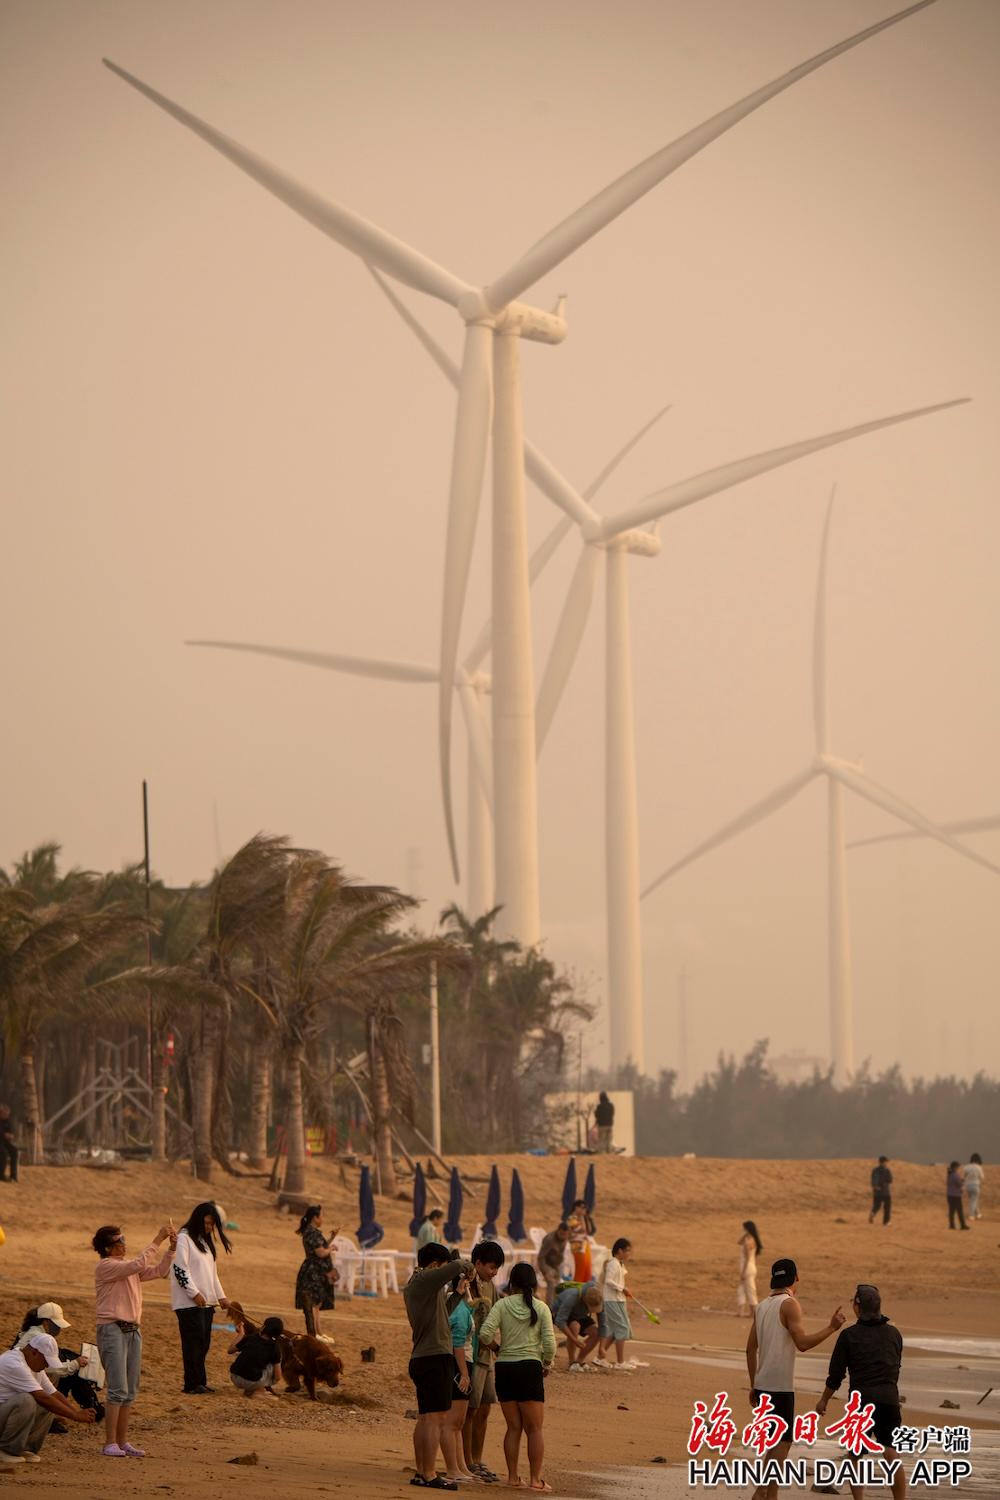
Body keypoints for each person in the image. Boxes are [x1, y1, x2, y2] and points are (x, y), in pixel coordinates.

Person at [745, 1258, 845, 1500]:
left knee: (774, 1442)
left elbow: (750, 1349)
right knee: (783, 1442)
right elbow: (802, 1344)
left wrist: (753, 1384)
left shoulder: (762, 1306)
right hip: (779, 1386)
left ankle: (768, 1494)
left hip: (762, 1384)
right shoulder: (789, 1304)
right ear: (795, 1279)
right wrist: (832, 1328)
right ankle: (762, 1493)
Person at [816, 1284, 906, 1500]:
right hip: (888, 1399)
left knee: (855, 1455)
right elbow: (896, 1366)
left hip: (861, 1402)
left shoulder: (849, 1336)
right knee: (891, 1451)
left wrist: (823, 1400)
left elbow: (836, 1375)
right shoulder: (894, 1333)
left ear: (858, 1307)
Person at [93, 1220, 175, 1457]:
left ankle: (122, 1441)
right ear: (108, 1248)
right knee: (117, 1388)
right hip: (112, 1329)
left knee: (129, 1391)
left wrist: (170, 1249)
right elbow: (140, 1263)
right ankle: (110, 1442)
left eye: (123, 1239)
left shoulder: (127, 1267)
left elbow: (159, 1271)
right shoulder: (106, 1266)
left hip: (132, 1330)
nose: (123, 1244)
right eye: (119, 1241)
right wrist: (158, 1239)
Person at [478, 1262, 556, 1494]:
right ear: (533, 1283)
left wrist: (497, 1348)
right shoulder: (541, 1308)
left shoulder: (502, 1305)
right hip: (530, 1367)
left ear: (512, 1283)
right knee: (535, 1429)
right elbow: (550, 1344)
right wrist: (547, 1362)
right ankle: (535, 1479)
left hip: (505, 1368)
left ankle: (512, 1477)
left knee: (513, 1427)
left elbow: (484, 1334)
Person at [403, 1240, 473, 1490]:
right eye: (439, 1267)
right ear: (433, 1265)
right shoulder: (424, 1280)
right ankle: (430, 1473)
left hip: (424, 1356)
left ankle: (423, 1471)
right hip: (433, 1358)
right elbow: (454, 1266)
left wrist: (457, 1295)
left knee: (425, 1418)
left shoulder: (420, 1287)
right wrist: (467, 1265)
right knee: (434, 1419)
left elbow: (441, 1312)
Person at [0, 1332, 97, 1467]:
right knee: (27, 1400)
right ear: (34, 1352)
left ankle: (26, 1448)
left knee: (49, 1403)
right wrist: (75, 1416)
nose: (46, 1365)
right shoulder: (14, 1363)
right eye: (45, 1361)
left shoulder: (34, 1365)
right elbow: (42, 1397)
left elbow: (54, 1394)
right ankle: (5, 1450)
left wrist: (76, 1412)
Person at [170, 1202, 232, 1394]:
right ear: (198, 1219)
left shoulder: (204, 1242)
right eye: (206, 1223)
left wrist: (221, 1297)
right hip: (189, 1303)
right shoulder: (184, 1238)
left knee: (203, 1343)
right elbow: (180, 1269)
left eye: (211, 1225)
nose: (209, 1228)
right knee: (193, 1343)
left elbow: (213, 1274)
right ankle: (191, 1384)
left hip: (207, 1303)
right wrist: (193, 1293)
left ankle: (200, 1381)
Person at [13, 1303, 103, 1427]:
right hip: (24, 1385)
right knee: (62, 1374)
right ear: (46, 1322)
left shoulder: (32, 1332)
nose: (59, 1329)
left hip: (23, 1382)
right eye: (56, 1324)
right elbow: (51, 1370)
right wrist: (74, 1364)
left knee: (64, 1367)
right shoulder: (37, 1336)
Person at [463, 1241, 505, 1485]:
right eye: (491, 1267)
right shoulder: (466, 1284)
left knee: (486, 1407)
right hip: (474, 1354)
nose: (494, 1272)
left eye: (497, 1268)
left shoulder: (490, 1286)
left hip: (487, 1356)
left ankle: (477, 1459)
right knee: (470, 1410)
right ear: (477, 1263)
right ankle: (466, 1460)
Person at [442, 1276, 477, 1483]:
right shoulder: (457, 1307)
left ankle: (461, 1466)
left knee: (458, 1422)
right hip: (459, 1362)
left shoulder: (460, 1305)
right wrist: (464, 1373)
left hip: (463, 1361)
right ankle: (453, 1468)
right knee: (453, 1422)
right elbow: (457, 1343)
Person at [294, 1205, 339, 1336]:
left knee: (317, 1303)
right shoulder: (312, 1233)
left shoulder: (311, 1232)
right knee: (314, 1304)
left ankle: (319, 1332)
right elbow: (320, 1252)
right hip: (313, 1273)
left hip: (316, 1272)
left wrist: (331, 1238)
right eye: (321, 1216)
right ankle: (315, 1333)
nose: (323, 1219)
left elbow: (321, 1246)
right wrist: (331, 1249)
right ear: (315, 1218)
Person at [595, 1238, 635, 1369]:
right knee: (622, 1328)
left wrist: (624, 1290)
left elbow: (616, 1282)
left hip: (618, 1299)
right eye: (627, 1250)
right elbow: (609, 1281)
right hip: (612, 1300)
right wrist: (622, 1288)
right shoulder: (613, 1263)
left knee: (615, 1330)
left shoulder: (619, 1264)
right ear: (620, 1250)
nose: (629, 1253)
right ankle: (620, 1362)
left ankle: (600, 1357)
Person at [228, 1316, 283, 1399]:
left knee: (250, 1356)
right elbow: (278, 1377)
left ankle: (250, 1390)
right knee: (273, 1363)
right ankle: (258, 1391)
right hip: (252, 1382)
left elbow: (230, 1350)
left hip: (235, 1377)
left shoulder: (251, 1337)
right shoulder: (274, 1347)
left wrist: (241, 1334)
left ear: (264, 1327)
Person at [558, 1287, 603, 1370]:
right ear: (585, 1301)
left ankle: (579, 1361)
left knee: (596, 1333)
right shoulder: (572, 1297)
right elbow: (560, 1321)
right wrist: (576, 1341)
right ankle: (572, 1362)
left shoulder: (599, 1297)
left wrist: (602, 1347)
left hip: (580, 1314)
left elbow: (603, 1325)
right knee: (575, 1326)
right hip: (564, 1314)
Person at [536, 1223, 570, 1306]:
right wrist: (546, 1271)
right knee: (551, 1284)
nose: (563, 1236)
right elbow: (541, 1257)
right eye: (561, 1234)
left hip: (556, 1265)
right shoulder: (549, 1240)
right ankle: (549, 1308)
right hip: (546, 1264)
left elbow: (561, 1253)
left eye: (565, 1234)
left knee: (558, 1286)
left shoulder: (565, 1238)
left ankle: (556, 1306)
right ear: (558, 1231)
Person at [566, 1200, 596, 1283]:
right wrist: (582, 1217)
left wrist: (584, 1217)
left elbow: (588, 1230)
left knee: (587, 1269)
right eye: (582, 1207)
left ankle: (584, 1287)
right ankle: (577, 1287)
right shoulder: (571, 1218)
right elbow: (581, 1230)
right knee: (580, 1269)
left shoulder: (581, 1218)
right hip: (577, 1245)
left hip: (584, 1245)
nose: (584, 1210)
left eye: (585, 1208)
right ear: (576, 1207)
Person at [738, 1221, 762, 1317]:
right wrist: (744, 1235)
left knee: (750, 1289)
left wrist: (743, 1272)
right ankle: (742, 1311)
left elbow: (747, 1258)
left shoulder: (748, 1241)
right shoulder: (752, 1240)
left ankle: (754, 1312)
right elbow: (739, 1242)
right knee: (743, 1288)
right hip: (751, 1266)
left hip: (747, 1267)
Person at [869, 1156, 893, 1226]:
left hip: (877, 1192)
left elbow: (874, 1179)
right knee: (887, 1207)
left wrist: (875, 1186)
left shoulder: (875, 1170)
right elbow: (890, 1180)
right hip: (885, 1192)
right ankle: (886, 1222)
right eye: (886, 1162)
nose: (887, 1163)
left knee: (877, 1205)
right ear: (883, 1162)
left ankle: (873, 1213)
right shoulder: (887, 1170)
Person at [946, 1162, 969, 1230]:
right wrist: (962, 1181)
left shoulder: (949, 1175)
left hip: (950, 1195)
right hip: (956, 1196)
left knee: (951, 1211)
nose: (958, 1168)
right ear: (955, 1167)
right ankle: (962, 1225)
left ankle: (952, 1225)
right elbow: (959, 1184)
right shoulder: (955, 1175)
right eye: (958, 1167)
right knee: (960, 1211)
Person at [0, 1106, 17, 1184]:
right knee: (3, 1154)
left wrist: (11, 1135)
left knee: (14, 1151)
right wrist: (4, 1135)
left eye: (8, 1114)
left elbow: (10, 1131)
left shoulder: (7, 1121)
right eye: (5, 1114)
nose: (7, 1116)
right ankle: (1, 1175)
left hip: (4, 1141)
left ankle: (13, 1175)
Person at [964, 1154, 984, 1221]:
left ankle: (978, 1214)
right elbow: (982, 1177)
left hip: (968, 1185)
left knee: (973, 1200)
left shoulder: (966, 1167)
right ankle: (971, 1215)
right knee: (974, 1200)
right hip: (975, 1185)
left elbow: (965, 1176)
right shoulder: (979, 1167)